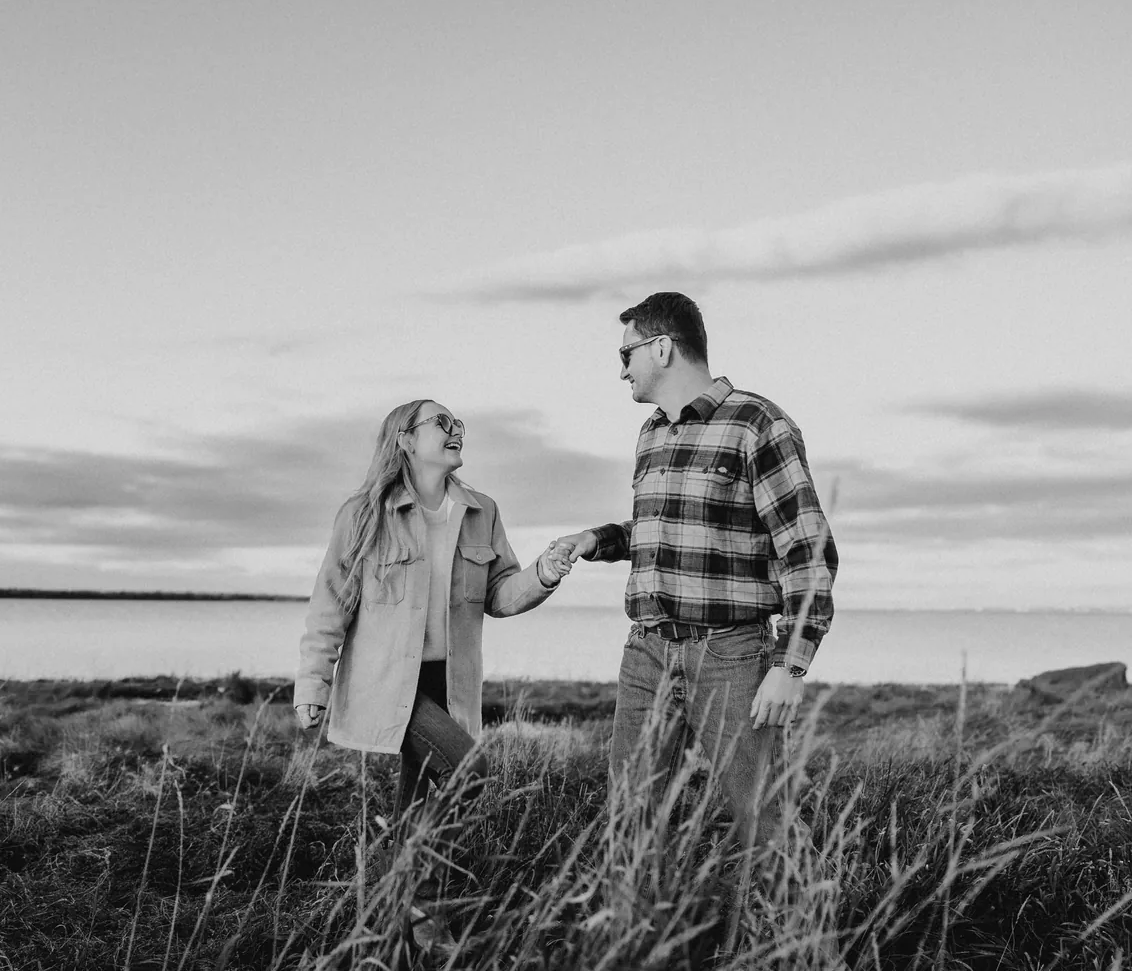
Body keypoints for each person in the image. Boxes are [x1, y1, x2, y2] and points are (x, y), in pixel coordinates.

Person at [553, 292, 838, 853]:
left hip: (730, 656)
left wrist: (791, 665)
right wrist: (598, 540)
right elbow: (669, 532)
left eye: (626, 352)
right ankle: (635, 942)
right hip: (647, 652)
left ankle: (805, 939)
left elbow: (808, 550)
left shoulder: (757, 424)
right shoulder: (652, 433)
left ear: (662, 348)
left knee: (764, 822)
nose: (621, 370)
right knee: (630, 822)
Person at [296, 399, 573, 818]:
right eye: (441, 422)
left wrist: (544, 573)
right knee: (469, 772)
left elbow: (499, 594)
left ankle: (405, 877)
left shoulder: (483, 511)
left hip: (450, 679)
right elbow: (331, 604)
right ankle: (415, 874)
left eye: (458, 422)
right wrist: (313, 684)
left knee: (418, 798)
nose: (456, 429)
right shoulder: (364, 514)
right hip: (388, 680)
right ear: (405, 439)